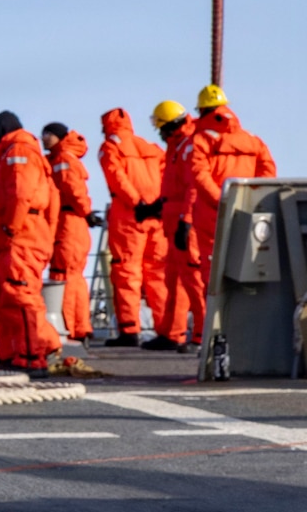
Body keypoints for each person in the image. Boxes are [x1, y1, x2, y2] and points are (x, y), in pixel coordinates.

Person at [0, 110, 63, 372]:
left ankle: (31, 357)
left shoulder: (18, 151)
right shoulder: (14, 152)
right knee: (8, 297)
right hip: (17, 232)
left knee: (21, 296)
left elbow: (21, 193)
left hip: (20, 234)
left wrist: (10, 229)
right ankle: (12, 354)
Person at [190, 86, 278, 321]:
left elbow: (199, 174)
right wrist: (252, 198)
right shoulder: (251, 139)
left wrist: (222, 200)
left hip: (213, 213)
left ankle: (217, 326)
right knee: (248, 266)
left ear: (203, 110)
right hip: (247, 212)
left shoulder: (201, 139)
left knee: (213, 271)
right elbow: (268, 169)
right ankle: (247, 323)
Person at [98, 108, 166, 348]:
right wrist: (158, 204)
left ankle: (129, 330)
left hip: (129, 215)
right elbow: (167, 174)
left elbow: (116, 178)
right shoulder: (149, 147)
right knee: (158, 273)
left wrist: (137, 203)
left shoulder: (110, 147)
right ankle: (167, 331)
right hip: (157, 217)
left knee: (127, 272)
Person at [153, 99, 204, 351]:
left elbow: (193, 187)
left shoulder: (189, 146)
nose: (160, 134)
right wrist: (156, 206)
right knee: (174, 278)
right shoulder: (177, 147)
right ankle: (171, 332)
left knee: (194, 279)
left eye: (161, 128)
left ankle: (201, 334)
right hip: (173, 218)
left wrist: (186, 220)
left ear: (171, 126)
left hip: (184, 221)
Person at [42, 124, 97, 342]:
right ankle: (76, 325)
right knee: (67, 273)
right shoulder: (57, 160)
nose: (44, 139)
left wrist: (86, 211)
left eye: (48, 135)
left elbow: (74, 190)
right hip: (67, 221)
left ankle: (72, 326)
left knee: (66, 274)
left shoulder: (63, 160)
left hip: (69, 222)